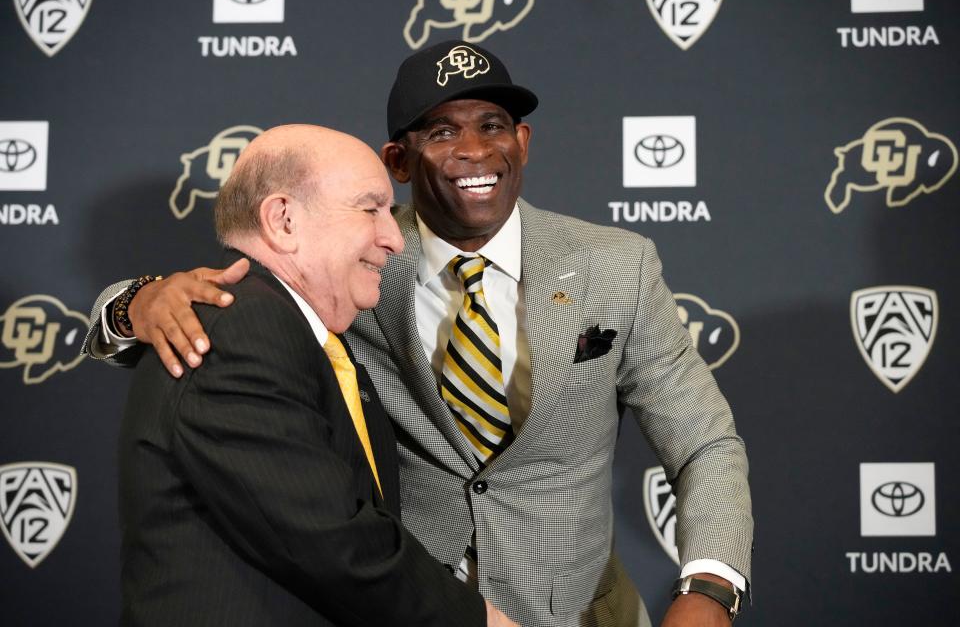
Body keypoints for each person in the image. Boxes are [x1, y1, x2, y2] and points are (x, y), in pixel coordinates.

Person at [85, 42, 753, 626]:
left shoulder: (618, 266)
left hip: (579, 608)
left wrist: (711, 586)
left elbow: (704, 440)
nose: (473, 150)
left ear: (522, 143)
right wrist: (137, 301)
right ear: (397, 160)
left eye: (494, 125)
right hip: (404, 604)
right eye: (440, 132)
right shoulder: (357, 258)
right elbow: (242, 308)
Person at [105, 124, 516, 626]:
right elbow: (333, 538)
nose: (393, 239)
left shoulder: (306, 335)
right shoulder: (241, 328)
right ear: (283, 220)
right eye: (371, 209)